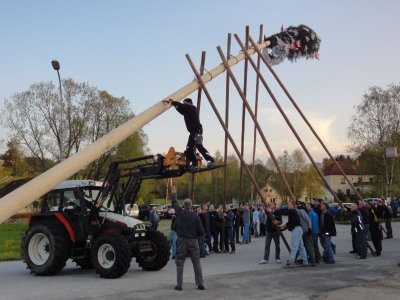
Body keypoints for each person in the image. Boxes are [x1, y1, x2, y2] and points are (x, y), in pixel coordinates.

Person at [163, 98, 215, 171]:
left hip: (197, 131)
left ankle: (211, 161)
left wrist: (173, 102)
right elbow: (181, 109)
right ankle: (193, 165)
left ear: (189, 103)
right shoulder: (187, 111)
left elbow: (182, 107)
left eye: (185, 103)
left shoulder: (192, 108)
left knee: (199, 146)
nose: (184, 105)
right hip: (193, 132)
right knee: (189, 148)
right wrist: (174, 104)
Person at [172, 196, 205, 291]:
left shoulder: (180, 213)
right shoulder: (195, 216)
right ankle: (200, 283)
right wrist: (197, 239)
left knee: (180, 263)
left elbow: (174, 204)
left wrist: (174, 193)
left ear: (184, 205)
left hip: (182, 240)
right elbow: (201, 231)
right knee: (196, 262)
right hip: (193, 241)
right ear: (191, 206)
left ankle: (179, 285)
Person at [278, 200, 309, 268]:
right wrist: (282, 226)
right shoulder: (293, 212)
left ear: (293, 206)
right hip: (298, 229)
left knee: (294, 246)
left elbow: (282, 212)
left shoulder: (292, 211)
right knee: (301, 246)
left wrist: (272, 211)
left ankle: (291, 262)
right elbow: (289, 223)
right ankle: (305, 261)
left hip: (296, 230)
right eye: (288, 204)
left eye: (289, 204)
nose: (288, 206)